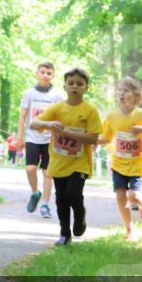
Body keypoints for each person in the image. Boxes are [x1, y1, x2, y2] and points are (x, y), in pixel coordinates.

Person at [30, 68, 102, 246]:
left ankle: (79, 215)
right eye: (71, 84)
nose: (75, 87)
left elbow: (93, 137)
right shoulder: (57, 108)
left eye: (79, 84)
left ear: (86, 87)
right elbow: (34, 123)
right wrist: (48, 123)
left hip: (80, 162)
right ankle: (64, 234)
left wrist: (68, 133)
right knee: (61, 198)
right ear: (65, 86)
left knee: (73, 193)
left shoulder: (90, 111)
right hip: (59, 161)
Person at [98, 78, 142, 241]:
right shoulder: (112, 116)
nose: (121, 93)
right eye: (119, 90)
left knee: (133, 196)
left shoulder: (141, 115)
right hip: (119, 162)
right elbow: (105, 137)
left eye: (125, 90)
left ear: (136, 96)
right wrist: (90, 140)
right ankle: (129, 229)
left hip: (137, 163)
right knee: (121, 196)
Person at [16, 62, 64, 218]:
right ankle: (35, 192)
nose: (45, 75)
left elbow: (61, 117)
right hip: (32, 137)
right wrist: (19, 136)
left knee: (47, 172)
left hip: (50, 139)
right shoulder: (29, 93)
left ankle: (45, 204)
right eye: (42, 72)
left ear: (53, 76)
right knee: (30, 169)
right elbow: (23, 116)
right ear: (36, 73)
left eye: (49, 73)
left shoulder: (57, 95)